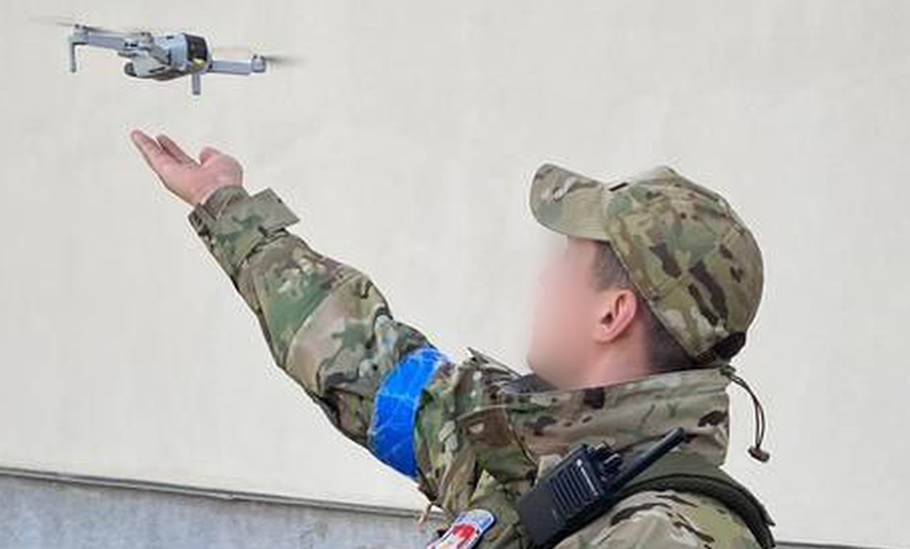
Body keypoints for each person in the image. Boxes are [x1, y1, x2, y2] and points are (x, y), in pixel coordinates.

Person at [129, 129, 776, 549]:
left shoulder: (667, 536)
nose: (546, 277)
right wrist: (227, 206)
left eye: (568, 261)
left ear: (612, 313)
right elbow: (364, 361)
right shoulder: (535, 451)